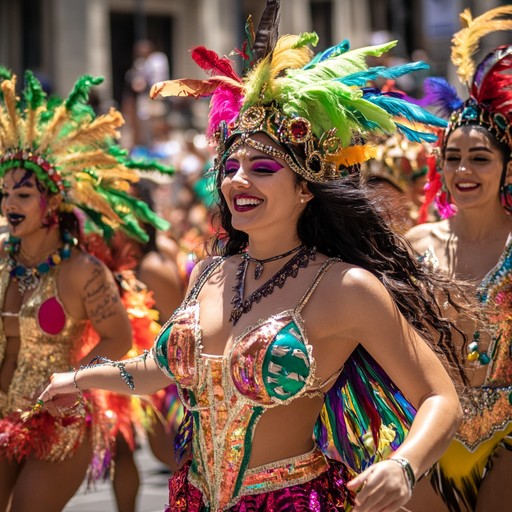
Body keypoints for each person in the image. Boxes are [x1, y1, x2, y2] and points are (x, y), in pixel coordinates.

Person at [38, 3, 465, 511]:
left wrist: (403, 465)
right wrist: (78, 378)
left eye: (263, 167)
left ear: (306, 189)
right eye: (231, 165)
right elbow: (157, 368)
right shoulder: (211, 272)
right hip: (191, 499)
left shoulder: (344, 288)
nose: (238, 179)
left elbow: (441, 400)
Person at [0, 69, 170, 512]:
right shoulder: (1, 255)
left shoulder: (82, 271)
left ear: (51, 201)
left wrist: (75, 381)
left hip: (58, 421)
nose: (9, 205)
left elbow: (119, 337)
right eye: (4, 194)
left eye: (22, 194)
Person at [405, 6, 512, 512]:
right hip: (430, 431)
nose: (463, 170)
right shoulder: (418, 243)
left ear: (506, 169)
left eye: (480, 157)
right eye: (453, 158)